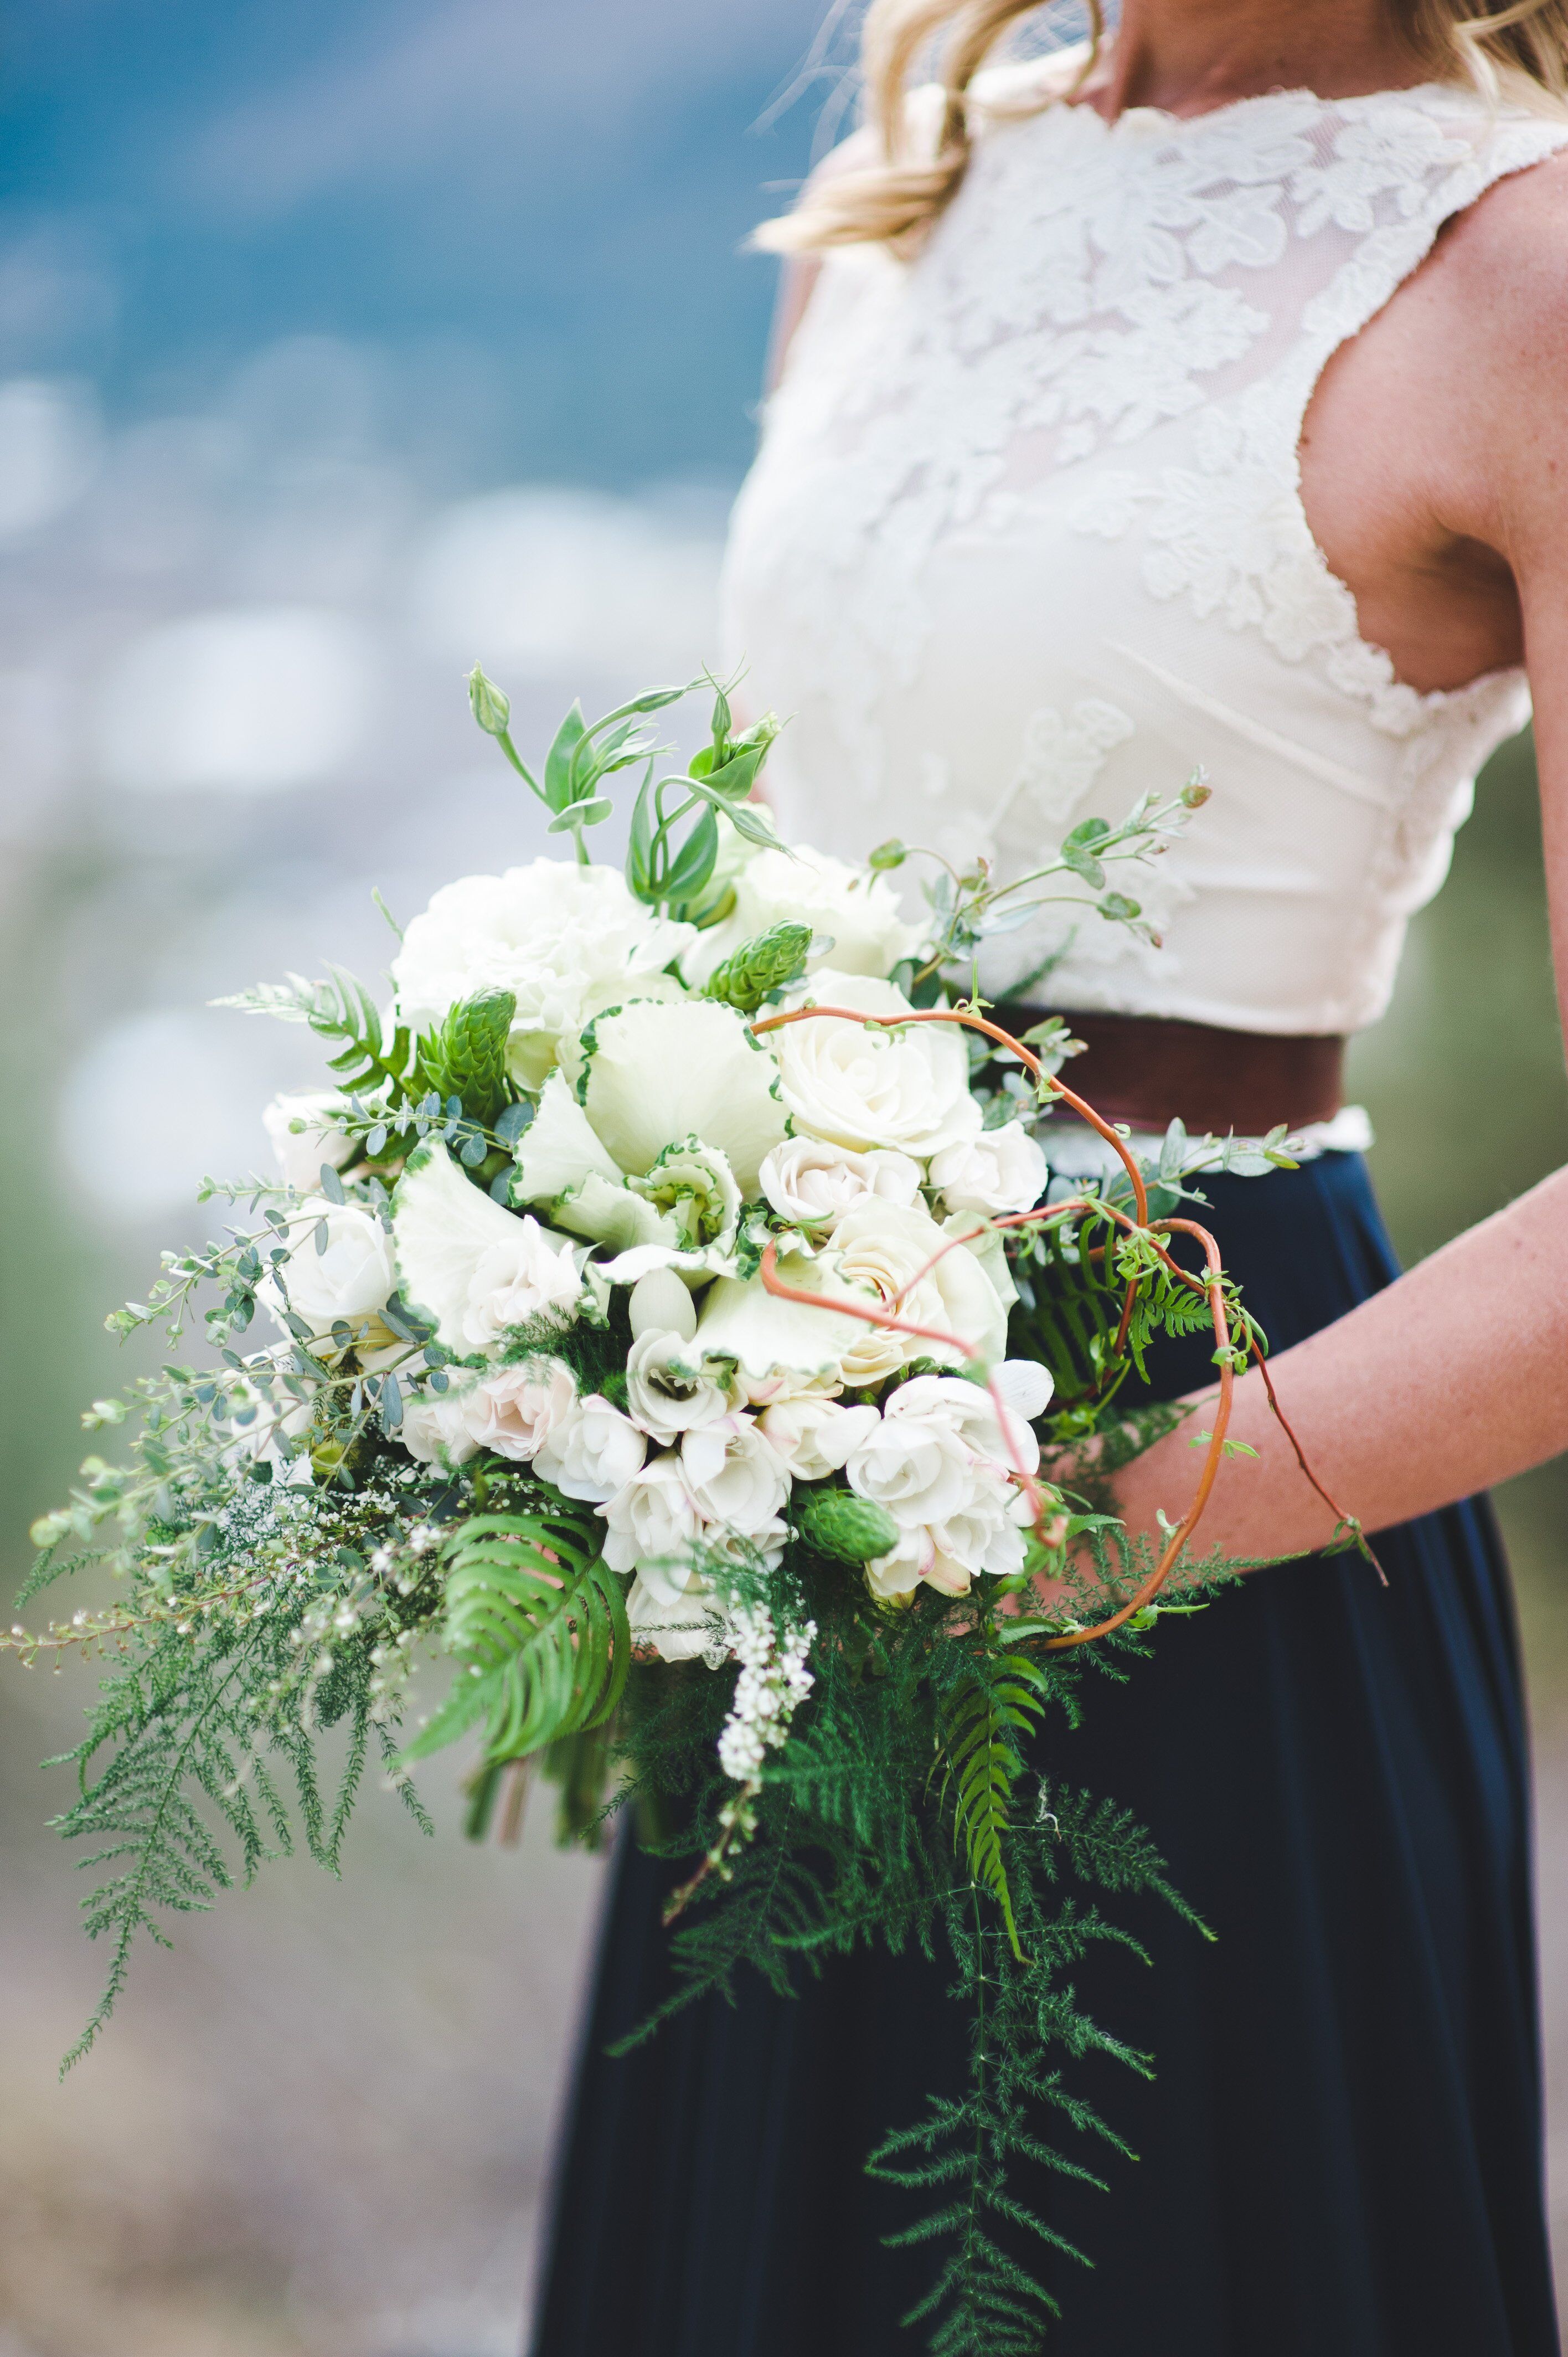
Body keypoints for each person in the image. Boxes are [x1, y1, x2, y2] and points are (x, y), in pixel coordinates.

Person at [531, 4, 1568, 2350]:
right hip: (783, 1485)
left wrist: (1118, 1510)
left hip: (1228, 1477)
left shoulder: (1524, 274)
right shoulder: (913, 181)